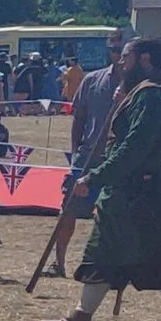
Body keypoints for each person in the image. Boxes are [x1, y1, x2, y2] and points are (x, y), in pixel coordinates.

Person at [36, 38, 161, 321]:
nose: (120, 62)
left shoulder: (152, 95)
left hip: (137, 192)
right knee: (103, 255)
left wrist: (94, 177)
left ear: (144, 59)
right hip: (123, 192)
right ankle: (80, 318)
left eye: (126, 57)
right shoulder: (144, 93)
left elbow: (133, 147)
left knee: (159, 259)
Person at [48, 30, 129, 276]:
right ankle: (59, 263)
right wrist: (76, 152)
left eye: (122, 51)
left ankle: (113, 265)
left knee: (116, 215)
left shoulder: (142, 86)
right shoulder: (92, 80)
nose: (118, 55)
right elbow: (79, 118)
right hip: (88, 156)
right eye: (114, 50)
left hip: (121, 158)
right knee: (68, 208)